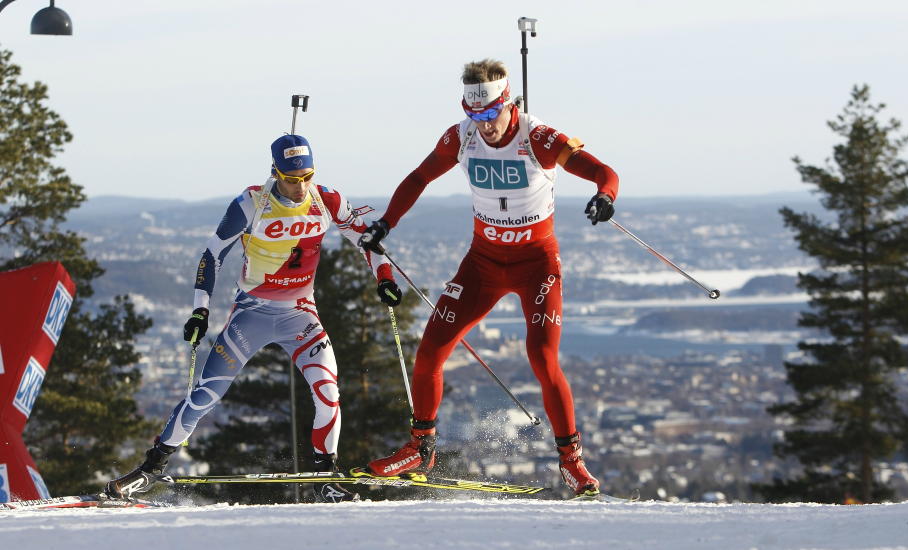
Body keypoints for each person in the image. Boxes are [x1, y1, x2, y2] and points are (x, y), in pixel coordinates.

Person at [358, 59, 618, 496]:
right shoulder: (461, 137)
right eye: (473, 115)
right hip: (483, 263)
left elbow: (603, 172)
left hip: (537, 264)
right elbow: (419, 176)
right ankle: (421, 449)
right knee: (431, 350)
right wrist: (386, 222)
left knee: (542, 357)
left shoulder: (537, 137)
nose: (484, 126)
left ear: (508, 102)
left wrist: (605, 196)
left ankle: (571, 461)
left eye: (491, 114)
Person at [106, 134, 402, 503]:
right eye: (291, 178)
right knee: (205, 395)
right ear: (275, 172)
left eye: (307, 176)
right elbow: (211, 257)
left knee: (328, 392)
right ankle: (151, 469)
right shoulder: (251, 204)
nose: (300, 186)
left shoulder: (328, 200)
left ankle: (325, 476)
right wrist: (200, 309)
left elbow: (368, 242)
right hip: (252, 314)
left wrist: (385, 280)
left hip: (300, 315)